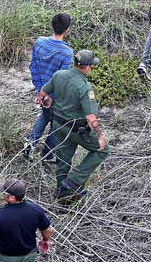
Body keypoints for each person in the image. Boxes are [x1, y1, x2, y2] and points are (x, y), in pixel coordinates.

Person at [35, 50, 109, 201]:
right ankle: (74, 180)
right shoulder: (84, 87)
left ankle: (62, 193)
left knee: (63, 159)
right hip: (76, 129)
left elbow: (42, 93)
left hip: (58, 125)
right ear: (87, 67)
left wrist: (46, 99)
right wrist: (100, 136)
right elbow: (90, 117)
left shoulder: (59, 75)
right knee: (102, 150)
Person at [24, 13, 74, 162]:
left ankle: (30, 143)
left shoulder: (39, 42)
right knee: (57, 123)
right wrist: (50, 97)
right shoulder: (67, 52)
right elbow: (62, 78)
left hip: (41, 90)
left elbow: (33, 66)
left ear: (52, 25)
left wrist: (40, 90)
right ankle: (47, 155)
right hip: (56, 95)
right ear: (67, 30)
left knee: (46, 115)